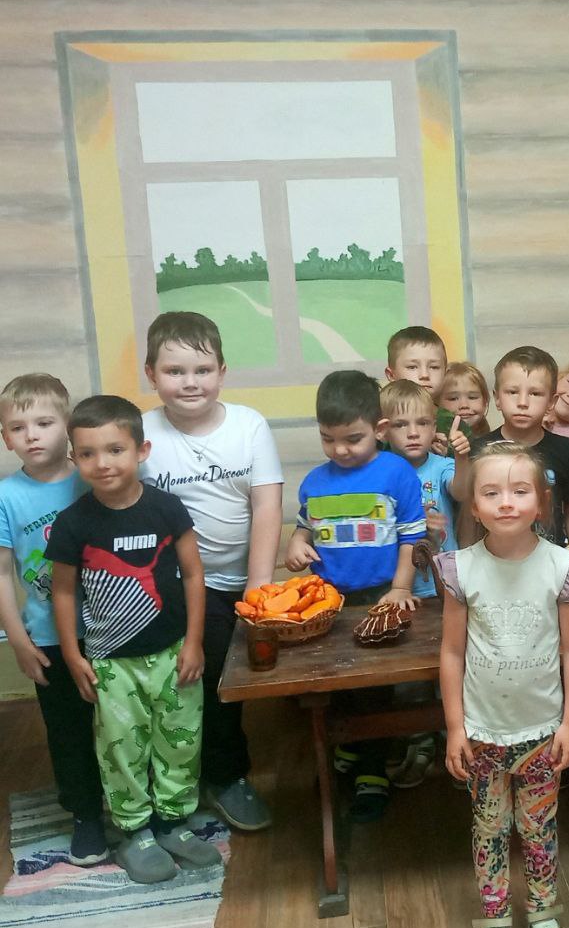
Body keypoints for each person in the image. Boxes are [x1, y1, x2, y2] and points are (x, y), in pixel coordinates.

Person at [47, 395, 221, 884]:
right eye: (87, 453)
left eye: (115, 449)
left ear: (141, 451)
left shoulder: (166, 508)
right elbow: (63, 592)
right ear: (74, 458)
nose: (102, 463)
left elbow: (193, 574)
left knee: (180, 740)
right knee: (121, 748)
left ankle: (172, 822)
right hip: (111, 662)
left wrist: (194, 642)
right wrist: (72, 654)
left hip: (174, 653)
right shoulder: (74, 522)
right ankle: (134, 831)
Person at [438, 441, 569, 928]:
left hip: (543, 731)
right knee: (489, 827)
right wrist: (455, 727)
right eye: (491, 492)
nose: (506, 502)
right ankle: (496, 922)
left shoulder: (562, 567)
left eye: (520, 491)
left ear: (541, 503)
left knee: (539, 826)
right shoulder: (461, 569)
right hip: (482, 733)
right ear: (474, 507)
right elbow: (452, 652)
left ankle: (544, 916)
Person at [140, 312, 282, 833]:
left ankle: (225, 776)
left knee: (222, 683)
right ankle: (161, 780)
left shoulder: (249, 425)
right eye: (174, 371)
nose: (190, 382)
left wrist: (257, 586)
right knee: (172, 685)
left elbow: (266, 506)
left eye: (201, 370)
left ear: (222, 371)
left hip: (233, 583)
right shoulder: (139, 433)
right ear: (151, 374)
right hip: (164, 589)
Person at [286, 371, 426, 820]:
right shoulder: (314, 481)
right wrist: (296, 544)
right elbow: (305, 527)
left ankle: (372, 772)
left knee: (374, 690)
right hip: (328, 602)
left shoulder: (397, 473)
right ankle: (349, 745)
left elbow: (412, 538)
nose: (340, 450)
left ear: (380, 429)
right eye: (328, 439)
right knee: (336, 682)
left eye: (352, 439)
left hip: (380, 596)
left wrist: (401, 587)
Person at [0, 374, 104, 865]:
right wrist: (19, 640)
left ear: (68, 426)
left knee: (124, 721)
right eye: (18, 427)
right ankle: (86, 814)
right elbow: (2, 573)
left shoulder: (94, 478)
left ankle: (141, 805)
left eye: (44, 423)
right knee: (67, 730)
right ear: (5, 437)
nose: (32, 435)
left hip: (112, 629)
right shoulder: (6, 496)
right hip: (46, 636)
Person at [380, 380, 470, 788]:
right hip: (403, 590)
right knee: (409, 681)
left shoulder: (441, 466)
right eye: (401, 425)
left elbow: (463, 491)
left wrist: (463, 458)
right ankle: (419, 744)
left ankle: (458, 742)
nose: (413, 433)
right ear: (384, 430)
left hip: (445, 589)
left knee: (453, 671)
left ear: (436, 426)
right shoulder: (381, 471)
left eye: (422, 423)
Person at [473, 347, 569, 547]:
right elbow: (468, 513)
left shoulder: (565, 450)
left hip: (549, 557)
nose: (523, 403)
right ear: (497, 398)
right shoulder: (479, 451)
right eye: (512, 392)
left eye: (535, 393)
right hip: (491, 556)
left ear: (551, 402)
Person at [385, 325, 448, 402]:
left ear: (445, 374)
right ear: (391, 375)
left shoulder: (453, 409)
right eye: (412, 367)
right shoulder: (378, 409)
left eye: (434, 367)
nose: (424, 375)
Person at [440, 361, 492, 440]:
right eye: (453, 398)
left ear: (485, 402)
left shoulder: (493, 442)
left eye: (472, 397)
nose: (464, 405)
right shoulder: (433, 442)